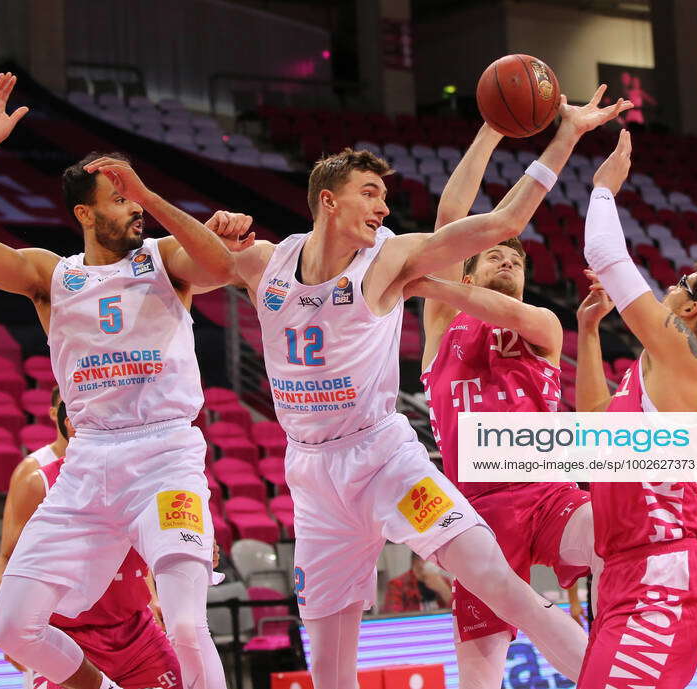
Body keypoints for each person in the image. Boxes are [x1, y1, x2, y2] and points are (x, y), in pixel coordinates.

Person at [208, 85, 630, 687]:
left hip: (438, 469)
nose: (383, 207)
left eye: (385, 194)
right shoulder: (285, 266)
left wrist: (566, 138)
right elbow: (186, 265)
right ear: (328, 201)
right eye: (370, 192)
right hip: (322, 469)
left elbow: (497, 224)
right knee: (332, 666)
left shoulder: (499, 306)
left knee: (568, 560)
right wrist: (212, 228)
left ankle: (632, 664)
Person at [0, 72, 245, 689]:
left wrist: (150, 195)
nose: (132, 207)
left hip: (164, 455)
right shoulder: (51, 275)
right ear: (84, 211)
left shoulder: (164, 259)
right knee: (12, 626)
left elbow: (221, 262)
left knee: (186, 625)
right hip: (89, 460)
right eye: (119, 198)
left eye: (134, 196)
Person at [412, 121, 603, 687]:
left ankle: (628, 658)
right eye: (492, 256)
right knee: (480, 667)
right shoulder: (442, 324)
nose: (507, 263)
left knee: (621, 532)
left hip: (547, 494)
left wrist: (426, 282)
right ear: (467, 268)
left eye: (515, 259)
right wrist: (492, 130)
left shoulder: (543, 324)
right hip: (475, 515)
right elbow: (450, 220)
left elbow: (506, 310)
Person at [575, 130, 697, 689]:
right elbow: (593, 430)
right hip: (627, 573)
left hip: (661, 574)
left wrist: (603, 190)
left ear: (691, 308)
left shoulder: (685, 359)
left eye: (680, 282)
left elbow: (605, 253)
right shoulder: (654, 372)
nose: (668, 286)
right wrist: (587, 333)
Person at [0, 447, 183, 689]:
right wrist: (13, 621)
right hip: (66, 635)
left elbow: (139, 545)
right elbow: (7, 558)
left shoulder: (149, 473)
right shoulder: (38, 478)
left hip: (135, 631)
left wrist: (199, 548)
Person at [0, 386, 73, 595]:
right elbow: (8, 552)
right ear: (55, 413)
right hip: (51, 576)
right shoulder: (33, 469)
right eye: (67, 405)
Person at [382, 553, 453, 613]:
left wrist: (443, 590)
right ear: (414, 562)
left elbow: (457, 613)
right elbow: (393, 615)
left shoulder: (444, 581)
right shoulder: (397, 585)